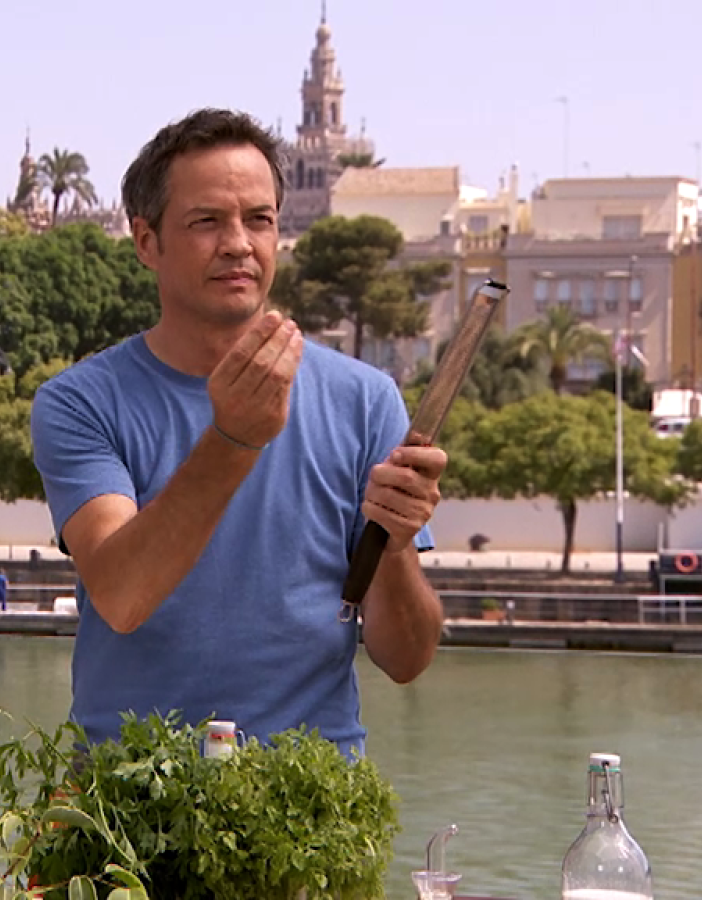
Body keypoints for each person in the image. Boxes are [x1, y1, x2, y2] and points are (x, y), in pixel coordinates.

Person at [29, 109, 446, 759]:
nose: (238, 243)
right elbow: (121, 595)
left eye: (260, 219)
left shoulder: (366, 401)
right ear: (146, 242)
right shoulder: (79, 403)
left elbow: (406, 659)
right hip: (126, 810)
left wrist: (392, 549)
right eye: (206, 222)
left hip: (311, 811)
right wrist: (233, 439)